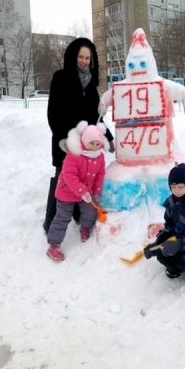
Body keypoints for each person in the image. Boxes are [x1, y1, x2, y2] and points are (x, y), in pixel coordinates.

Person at [43, 37, 114, 234]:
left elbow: (95, 116)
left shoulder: (90, 85)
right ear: (73, 56)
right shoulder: (60, 78)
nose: (83, 61)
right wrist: (63, 138)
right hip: (65, 141)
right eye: (80, 57)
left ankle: (78, 216)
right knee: (62, 179)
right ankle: (51, 222)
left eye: (87, 58)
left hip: (87, 144)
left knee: (83, 179)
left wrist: (108, 136)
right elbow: (53, 112)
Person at [46, 121, 108, 261]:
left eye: (97, 144)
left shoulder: (99, 156)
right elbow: (69, 175)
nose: (94, 147)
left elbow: (100, 174)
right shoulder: (75, 154)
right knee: (62, 217)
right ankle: (54, 245)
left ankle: (85, 228)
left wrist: (96, 192)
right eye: (91, 143)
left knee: (90, 212)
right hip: (67, 192)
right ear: (85, 141)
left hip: (87, 192)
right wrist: (82, 191)